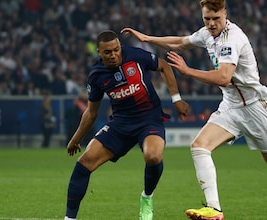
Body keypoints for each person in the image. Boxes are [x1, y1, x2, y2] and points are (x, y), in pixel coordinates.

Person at [121, 0, 267, 219]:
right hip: (231, 107)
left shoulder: (232, 39)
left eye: (215, 18)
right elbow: (181, 42)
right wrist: (147, 38)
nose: (211, 24)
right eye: (206, 19)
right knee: (199, 146)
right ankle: (214, 209)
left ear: (225, 14)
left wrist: (187, 71)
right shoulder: (208, 33)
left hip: (254, 109)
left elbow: (223, 77)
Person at [64, 30, 189, 220]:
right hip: (120, 124)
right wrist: (75, 139)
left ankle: (147, 198)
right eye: (108, 52)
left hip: (149, 119)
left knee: (153, 157)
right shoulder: (96, 76)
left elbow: (163, 66)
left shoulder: (135, 55)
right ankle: (69, 218)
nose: (114, 55)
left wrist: (176, 98)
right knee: (84, 163)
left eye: (116, 49)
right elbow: (91, 112)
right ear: (99, 52)